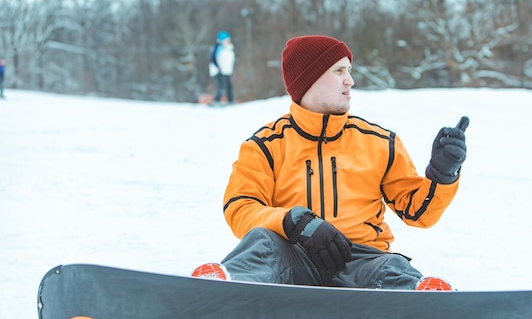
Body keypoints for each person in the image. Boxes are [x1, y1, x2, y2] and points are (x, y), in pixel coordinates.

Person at [193, 35, 469, 291]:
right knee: (262, 244)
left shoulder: (379, 142)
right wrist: (291, 221)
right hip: (293, 257)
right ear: (309, 79)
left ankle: (425, 300)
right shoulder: (266, 145)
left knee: (392, 267)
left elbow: (417, 212)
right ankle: (217, 291)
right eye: (339, 71)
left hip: (362, 262)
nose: (349, 81)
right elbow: (240, 207)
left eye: (348, 71)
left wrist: (442, 174)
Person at [208, 31, 235, 105]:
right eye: (226, 39)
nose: (228, 40)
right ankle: (216, 101)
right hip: (219, 71)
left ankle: (231, 101)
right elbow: (213, 58)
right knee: (221, 88)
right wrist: (218, 67)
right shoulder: (217, 47)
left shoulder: (229, 48)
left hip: (227, 71)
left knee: (229, 87)